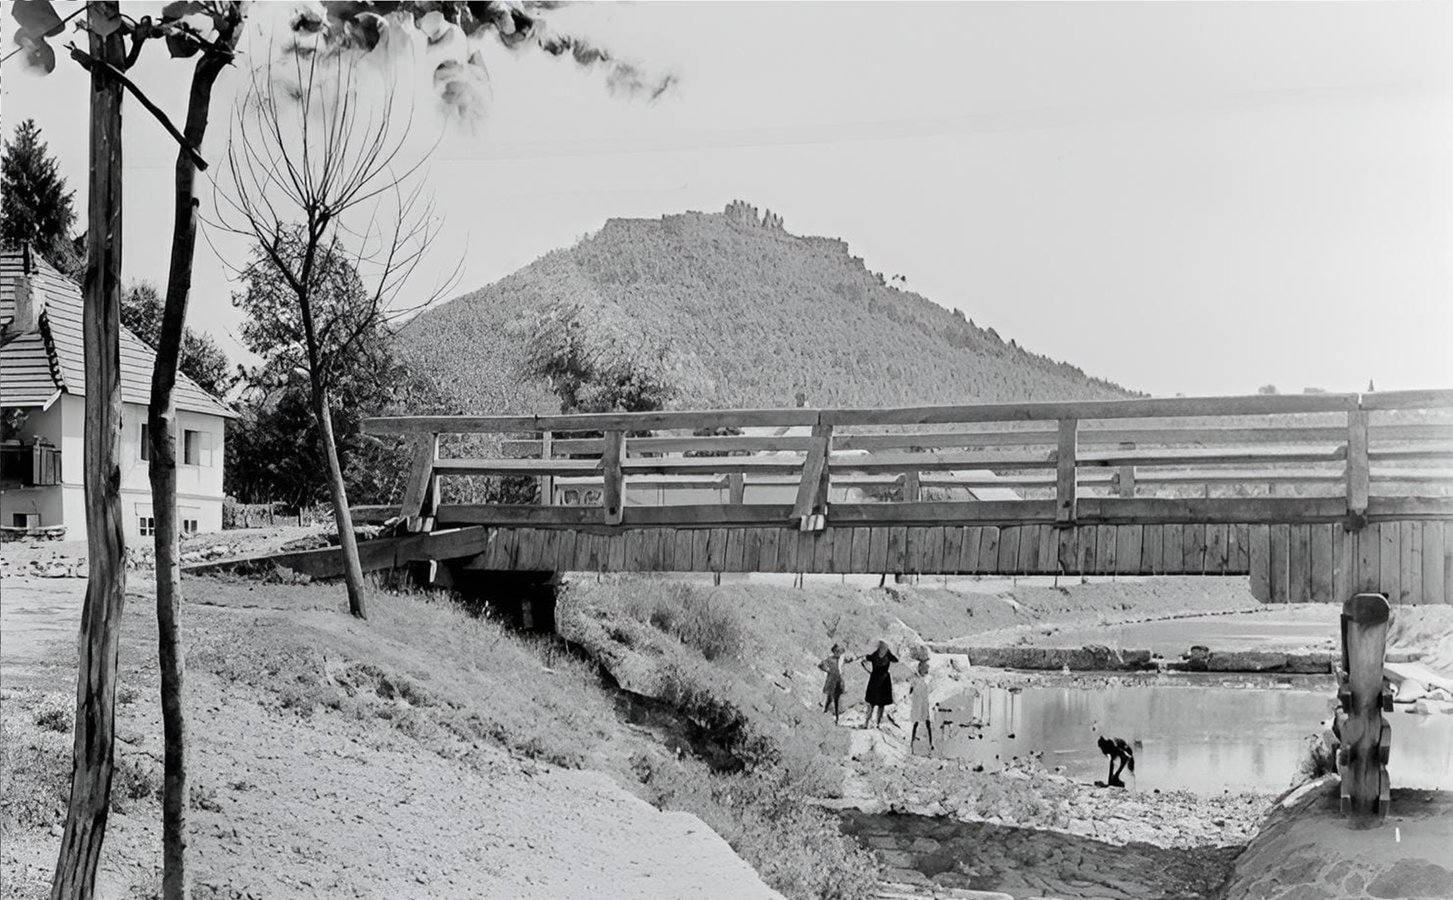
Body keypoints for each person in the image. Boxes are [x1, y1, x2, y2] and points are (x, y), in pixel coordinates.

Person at [861, 640, 898, 729]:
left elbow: (864, 659)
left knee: (876, 703)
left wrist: (867, 668)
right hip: (881, 679)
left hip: (877, 679)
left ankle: (872, 723)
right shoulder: (885, 655)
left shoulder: (876, 655)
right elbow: (896, 660)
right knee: (875, 703)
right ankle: (872, 723)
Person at [818, 643, 851, 724]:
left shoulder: (841, 660)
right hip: (831, 680)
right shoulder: (830, 659)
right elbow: (821, 665)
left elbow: (849, 660)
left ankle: (836, 717)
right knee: (829, 698)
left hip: (838, 681)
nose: (839, 653)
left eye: (840, 652)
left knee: (836, 699)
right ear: (834, 652)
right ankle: (826, 712)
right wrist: (827, 670)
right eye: (837, 651)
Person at [909, 659, 933, 751]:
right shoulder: (914, 679)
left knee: (927, 722)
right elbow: (910, 691)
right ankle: (912, 743)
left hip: (925, 703)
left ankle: (930, 744)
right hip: (917, 703)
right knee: (915, 723)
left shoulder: (928, 679)